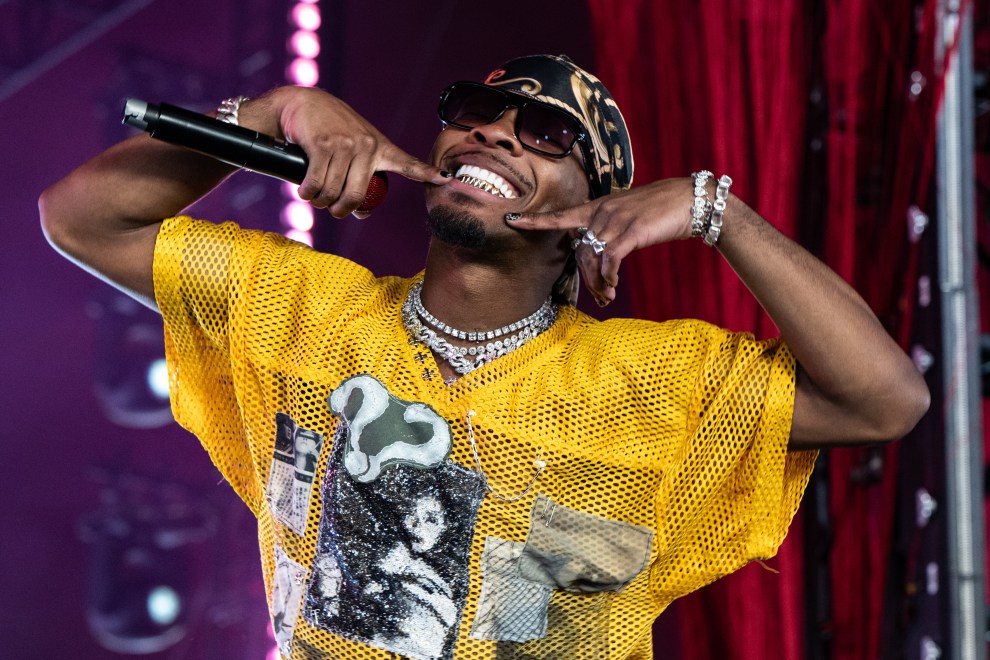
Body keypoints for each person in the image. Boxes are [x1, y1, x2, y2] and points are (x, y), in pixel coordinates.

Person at [40, 54, 929, 659]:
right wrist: (270, 112)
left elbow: (884, 402)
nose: (496, 135)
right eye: (476, 115)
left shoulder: (653, 384)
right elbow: (81, 219)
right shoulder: (302, 311)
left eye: (546, 133)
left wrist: (715, 213)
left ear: (598, 212)